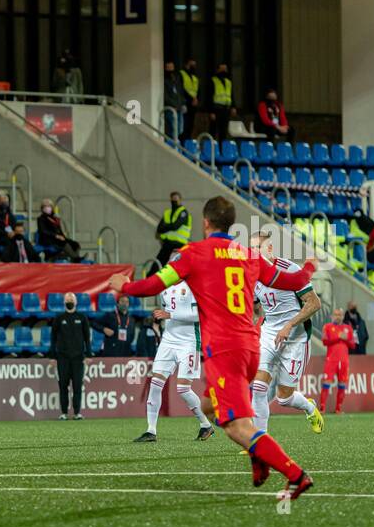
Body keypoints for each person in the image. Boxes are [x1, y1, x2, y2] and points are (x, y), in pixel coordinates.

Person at [109, 196, 317, 499]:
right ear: (231, 224)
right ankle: (259, 456)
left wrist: (124, 285)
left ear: (205, 222)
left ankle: (296, 475)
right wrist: (311, 264)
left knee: (236, 427)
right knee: (209, 407)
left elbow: (156, 284)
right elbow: (293, 280)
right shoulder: (247, 254)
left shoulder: (193, 253)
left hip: (224, 350)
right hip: (249, 348)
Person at [249, 233, 324, 435]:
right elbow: (255, 305)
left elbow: (314, 303)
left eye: (258, 247)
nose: (254, 252)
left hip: (295, 337)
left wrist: (289, 325)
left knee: (284, 398)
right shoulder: (253, 272)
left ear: (270, 249)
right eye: (252, 248)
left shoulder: (290, 269)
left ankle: (309, 407)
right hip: (269, 334)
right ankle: (259, 440)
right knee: (258, 388)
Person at [133, 269, 213, 443]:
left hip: (189, 343)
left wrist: (170, 315)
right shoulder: (165, 289)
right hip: (168, 341)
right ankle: (151, 431)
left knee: (183, 389)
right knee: (155, 384)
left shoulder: (194, 287)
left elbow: (200, 315)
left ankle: (205, 424)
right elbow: (166, 309)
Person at [50, 293, 91, 420]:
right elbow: (53, 338)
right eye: (67, 299)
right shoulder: (59, 318)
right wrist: (53, 357)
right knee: (63, 386)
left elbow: (87, 338)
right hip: (62, 357)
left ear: (76, 302)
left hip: (78, 358)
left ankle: (77, 412)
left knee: (77, 386)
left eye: (71, 299)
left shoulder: (82, 317)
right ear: (64, 302)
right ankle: (64, 413)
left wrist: (88, 355)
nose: (69, 301)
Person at [317, 308, 356, 414]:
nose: (338, 316)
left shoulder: (348, 328)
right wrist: (338, 338)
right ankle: (322, 408)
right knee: (326, 383)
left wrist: (345, 339)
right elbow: (325, 341)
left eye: (340, 315)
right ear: (332, 316)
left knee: (342, 384)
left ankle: (338, 409)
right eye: (336, 314)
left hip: (344, 361)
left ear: (343, 316)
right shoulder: (327, 327)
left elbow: (353, 345)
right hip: (331, 360)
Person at [154, 192, 191, 270]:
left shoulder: (183, 213)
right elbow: (159, 229)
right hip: (167, 244)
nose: (174, 201)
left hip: (179, 245)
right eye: (172, 199)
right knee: (156, 267)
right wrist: (170, 226)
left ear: (180, 200)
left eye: (176, 199)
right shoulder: (167, 212)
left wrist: (166, 226)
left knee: (177, 268)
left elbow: (176, 226)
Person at [209, 63, 234, 142]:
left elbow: (231, 95)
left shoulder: (228, 82)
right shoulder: (213, 80)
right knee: (213, 130)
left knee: (223, 131)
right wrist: (211, 111)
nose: (224, 71)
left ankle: (221, 149)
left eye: (225, 69)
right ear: (218, 70)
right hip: (216, 109)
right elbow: (209, 96)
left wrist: (233, 106)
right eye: (222, 69)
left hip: (226, 109)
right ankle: (212, 148)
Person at [179, 59, 201, 141]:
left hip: (193, 105)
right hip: (185, 103)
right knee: (184, 125)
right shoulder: (181, 74)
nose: (193, 67)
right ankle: (182, 142)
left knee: (191, 126)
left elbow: (198, 90)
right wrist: (191, 98)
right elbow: (181, 89)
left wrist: (196, 99)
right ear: (186, 65)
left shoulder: (195, 77)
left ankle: (187, 142)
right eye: (191, 65)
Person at [162, 62, 185, 139]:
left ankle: (176, 145)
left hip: (179, 109)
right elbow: (166, 96)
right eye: (168, 68)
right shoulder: (164, 81)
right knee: (171, 129)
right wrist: (173, 105)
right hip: (171, 109)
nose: (171, 70)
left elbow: (180, 93)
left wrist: (182, 104)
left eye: (172, 67)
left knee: (179, 130)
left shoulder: (176, 80)